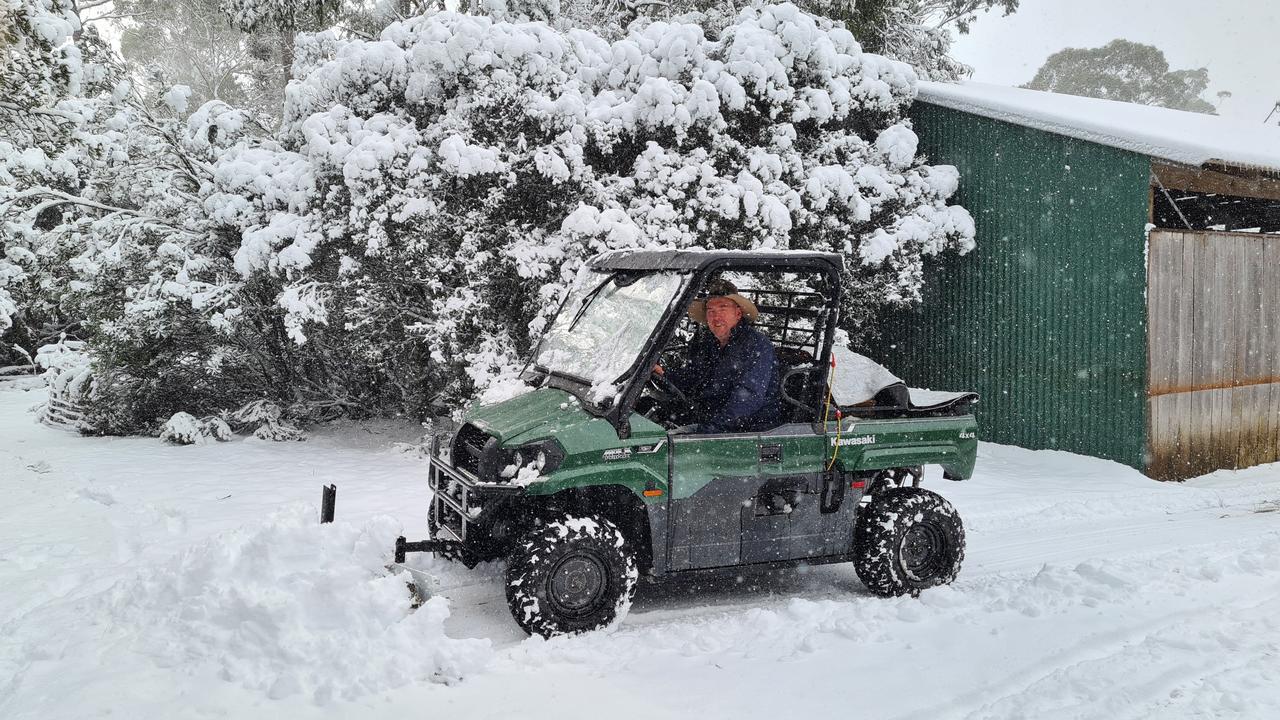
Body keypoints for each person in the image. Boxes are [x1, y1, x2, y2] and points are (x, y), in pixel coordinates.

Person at [656, 279, 782, 434]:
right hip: (711, 418)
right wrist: (665, 375)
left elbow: (747, 397)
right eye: (711, 311)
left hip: (749, 431)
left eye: (723, 308)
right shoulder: (708, 342)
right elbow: (694, 377)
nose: (716, 317)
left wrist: (710, 430)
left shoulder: (757, 345)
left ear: (738, 313)